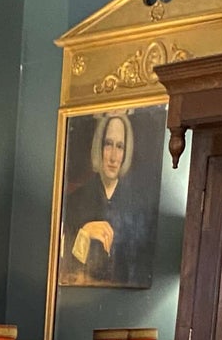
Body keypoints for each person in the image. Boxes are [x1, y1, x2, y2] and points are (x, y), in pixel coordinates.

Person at [59, 111, 156, 287]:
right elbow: (66, 270)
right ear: (99, 147)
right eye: (108, 144)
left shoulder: (137, 205)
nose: (113, 156)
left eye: (120, 147)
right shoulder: (75, 200)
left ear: (126, 152)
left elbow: (139, 271)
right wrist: (85, 234)